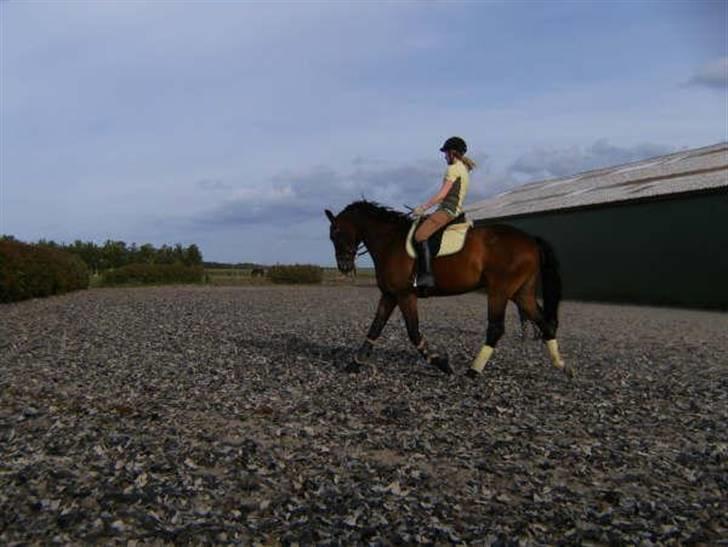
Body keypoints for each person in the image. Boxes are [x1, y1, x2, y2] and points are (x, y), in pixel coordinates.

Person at [412, 136, 476, 290]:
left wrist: (423, 208)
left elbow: (442, 195)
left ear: (453, 153)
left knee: (419, 236)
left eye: (446, 153)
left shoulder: (453, 168)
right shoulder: (464, 169)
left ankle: (426, 277)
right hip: (454, 210)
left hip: (447, 211)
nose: (445, 156)